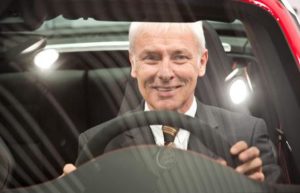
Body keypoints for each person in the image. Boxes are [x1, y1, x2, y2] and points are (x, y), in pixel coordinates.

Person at [63, 22, 281, 183]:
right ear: (133, 64)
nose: (165, 73)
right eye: (151, 58)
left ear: (202, 62)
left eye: (179, 57)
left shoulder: (247, 133)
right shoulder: (98, 145)